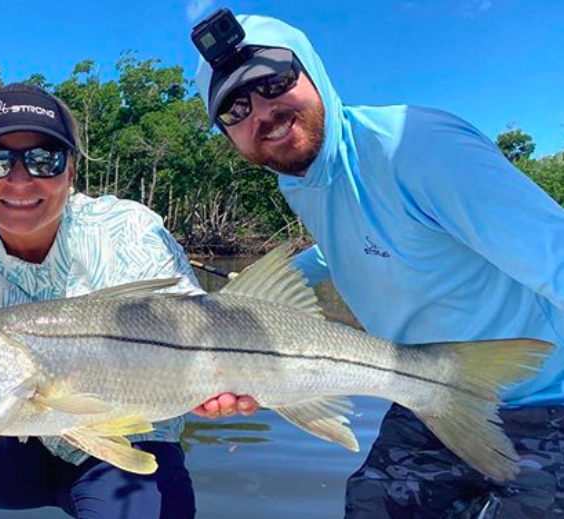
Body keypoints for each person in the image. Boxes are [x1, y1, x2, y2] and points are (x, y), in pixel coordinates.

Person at [192, 13, 564, 519]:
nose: (263, 112)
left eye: (274, 82)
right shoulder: (300, 179)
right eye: (234, 108)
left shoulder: (417, 147)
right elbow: (351, 244)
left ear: (315, 73)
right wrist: (252, 303)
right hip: (427, 397)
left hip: (546, 397)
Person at [0, 83, 201, 519]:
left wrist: (228, 382)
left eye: (43, 159)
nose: (19, 180)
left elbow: (200, 327)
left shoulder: (131, 233)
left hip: (123, 436)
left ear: (71, 170)